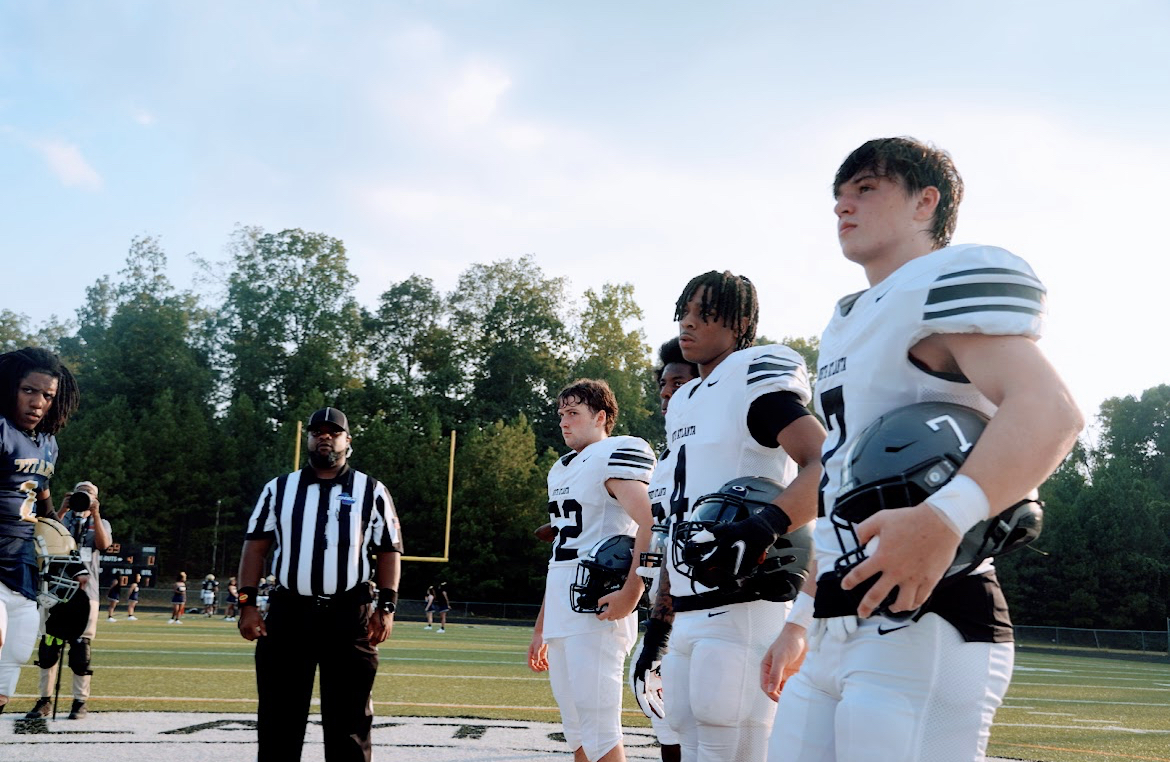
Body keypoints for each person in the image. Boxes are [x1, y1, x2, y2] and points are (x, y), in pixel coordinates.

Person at [762, 137, 1083, 761]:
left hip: (926, 614)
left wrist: (945, 516)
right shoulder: (849, 319)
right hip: (836, 614)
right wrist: (799, 622)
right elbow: (839, 489)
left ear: (924, 203)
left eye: (865, 188)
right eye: (838, 195)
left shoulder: (939, 282)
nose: (842, 207)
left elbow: (1052, 412)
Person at [630, 272, 825, 762]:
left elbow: (829, 465)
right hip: (690, 603)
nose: (687, 323)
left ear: (739, 322)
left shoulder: (753, 375)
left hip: (745, 597)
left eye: (703, 312)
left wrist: (761, 527)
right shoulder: (688, 398)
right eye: (684, 312)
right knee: (687, 738)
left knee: (731, 741)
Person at [237, 406, 403, 762]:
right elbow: (255, 547)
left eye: (333, 432)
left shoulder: (370, 489)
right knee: (278, 720)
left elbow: (389, 550)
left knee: (350, 722)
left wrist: (386, 607)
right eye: (317, 432)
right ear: (308, 439)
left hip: (348, 614)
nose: (324, 437)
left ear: (348, 441)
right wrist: (247, 604)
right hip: (290, 612)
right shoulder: (279, 488)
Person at [528, 379, 656, 762]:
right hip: (564, 607)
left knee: (601, 732)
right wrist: (540, 628)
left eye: (574, 413)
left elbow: (652, 523)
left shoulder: (615, 454)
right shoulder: (560, 469)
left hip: (599, 605)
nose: (564, 422)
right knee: (578, 733)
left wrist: (633, 593)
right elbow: (560, 555)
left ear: (601, 417)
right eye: (561, 414)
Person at [0, 347, 79, 714]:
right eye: (29, 390)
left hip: (22, 567)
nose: (38, 402)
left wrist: (71, 559)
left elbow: (44, 504)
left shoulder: (47, 444)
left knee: (11, 663)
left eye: (47, 395)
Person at [630, 337, 699, 762]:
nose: (666, 394)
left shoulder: (718, 449)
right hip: (667, 609)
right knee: (668, 727)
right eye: (663, 386)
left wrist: (660, 627)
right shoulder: (668, 459)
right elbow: (659, 534)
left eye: (678, 383)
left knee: (713, 733)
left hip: (705, 611)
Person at [25, 480, 112, 720]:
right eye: (79, 494)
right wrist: (61, 510)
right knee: (48, 647)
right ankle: (44, 700)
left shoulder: (100, 523)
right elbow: (44, 531)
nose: (83, 498)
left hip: (86, 593)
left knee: (80, 649)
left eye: (88, 494)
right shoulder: (60, 520)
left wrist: (95, 512)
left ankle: (79, 701)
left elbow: (104, 545)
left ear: (96, 498)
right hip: (55, 592)